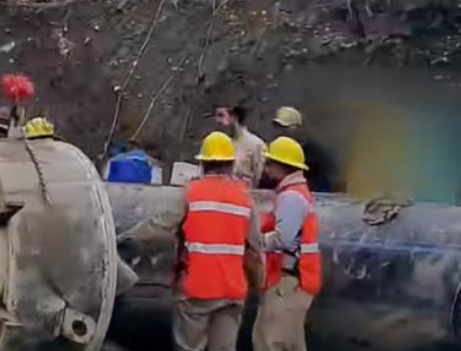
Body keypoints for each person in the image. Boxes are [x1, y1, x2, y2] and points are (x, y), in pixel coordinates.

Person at [117, 132, 262, 351]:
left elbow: (160, 225)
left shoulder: (191, 193)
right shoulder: (245, 199)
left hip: (197, 289)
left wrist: (125, 238)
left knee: (189, 347)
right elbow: (256, 248)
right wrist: (259, 282)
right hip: (232, 290)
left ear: (203, 164)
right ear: (231, 165)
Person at [254, 136, 322, 351]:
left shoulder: (291, 197)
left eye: (270, 163)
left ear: (283, 166)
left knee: (270, 341)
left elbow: (283, 239)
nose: (267, 168)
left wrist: (254, 242)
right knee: (290, 343)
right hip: (296, 280)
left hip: (288, 282)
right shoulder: (296, 194)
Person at [272, 106, 338, 194]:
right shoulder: (273, 150)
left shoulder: (314, 154)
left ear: (298, 128)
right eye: (277, 127)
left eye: (285, 127)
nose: (280, 131)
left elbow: (324, 187)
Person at [214, 105, 265, 186]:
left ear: (234, 117)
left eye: (221, 115)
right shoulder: (216, 142)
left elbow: (259, 177)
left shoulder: (255, 144)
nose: (217, 120)